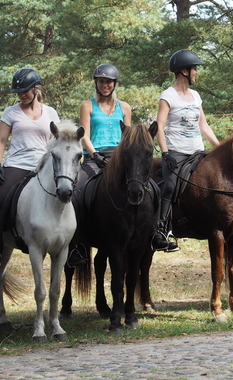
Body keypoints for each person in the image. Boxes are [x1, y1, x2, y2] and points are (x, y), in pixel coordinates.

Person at [154, 49, 220, 252]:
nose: (196, 73)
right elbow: (159, 126)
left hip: (198, 152)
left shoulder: (196, 96)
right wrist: (165, 153)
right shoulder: (168, 95)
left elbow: (204, 126)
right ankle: (160, 233)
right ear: (184, 71)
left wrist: (220, 147)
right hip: (176, 153)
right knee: (170, 186)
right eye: (194, 69)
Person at [68, 63, 133, 266]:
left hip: (119, 156)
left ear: (114, 84)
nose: (105, 85)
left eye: (109, 81)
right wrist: (94, 154)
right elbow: (84, 134)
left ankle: (152, 232)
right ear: (96, 82)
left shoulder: (125, 107)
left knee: (148, 188)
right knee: (77, 192)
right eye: (102, 81)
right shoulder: (87, 106)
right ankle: (77, 246)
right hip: (94, 157)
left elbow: (128, 136)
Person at [0, 69, 60, 250]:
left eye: (25, 90)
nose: (22, 95)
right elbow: (1, 140)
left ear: (36, 88)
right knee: (1, 196)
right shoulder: (10, 113)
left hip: (43, 166)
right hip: (17, 164)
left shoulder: (50, 113)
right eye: (18, 92)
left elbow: (55, 142)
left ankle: (73, 245)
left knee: (71, 197)